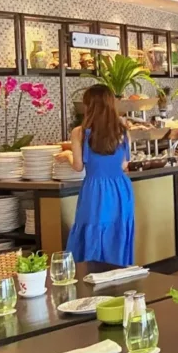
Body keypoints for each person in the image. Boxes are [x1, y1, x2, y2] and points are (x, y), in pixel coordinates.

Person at [57, 85, 134, 265]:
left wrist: (67, 155)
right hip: (120, 189)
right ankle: (118, 272)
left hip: (95, 188)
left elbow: (77, 166)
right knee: (117, 230)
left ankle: (90, 274)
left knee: (92, 229)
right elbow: (124, 164)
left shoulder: (80, 132)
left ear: (88, 106)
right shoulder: (123, 130)